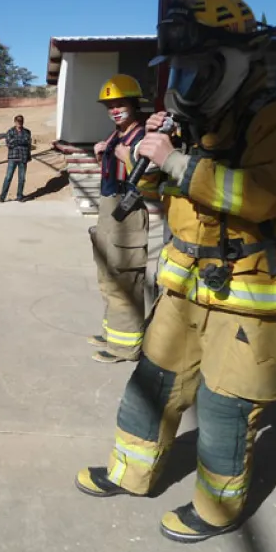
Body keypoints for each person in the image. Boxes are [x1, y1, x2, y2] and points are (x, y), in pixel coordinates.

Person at [75, 0, 276, 543]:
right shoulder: (195, 123)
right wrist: (150, 156)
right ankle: (129, 473)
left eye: (193, 69)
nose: (183, 83)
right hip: (185, 290)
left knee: (224, 407)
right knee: (153, 384)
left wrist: (176, 159)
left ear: (233, 63)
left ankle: (215, 510)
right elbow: (164, 194)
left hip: (250, 295)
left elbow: (260, 198)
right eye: (178, 71)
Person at [87, 75, 161, 364]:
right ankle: (114, 334)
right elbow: (111, 176)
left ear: (133, 104)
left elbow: (152, 182)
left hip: (127, 214)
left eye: (120, 104)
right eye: (110, 105)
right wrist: (101, 156)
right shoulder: (116, 136)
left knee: (124, 281)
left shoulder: (142, 138)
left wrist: (127, 157)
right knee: (107, 277)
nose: (115, 110)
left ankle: (125, 347)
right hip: (108, 209)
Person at [0, 115, 32, 203]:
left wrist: (28, 156)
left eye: (21, 121)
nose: (19, 123)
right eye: (18, 121)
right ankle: (2, 197)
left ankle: (19, 196)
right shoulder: (10, 131)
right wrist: (21, 141)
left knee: (22, 178)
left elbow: (28, 143)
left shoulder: (27, 132)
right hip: (13, 158)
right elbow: (9, 143)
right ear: (15, 122)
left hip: (23, 158)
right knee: (8, 177)